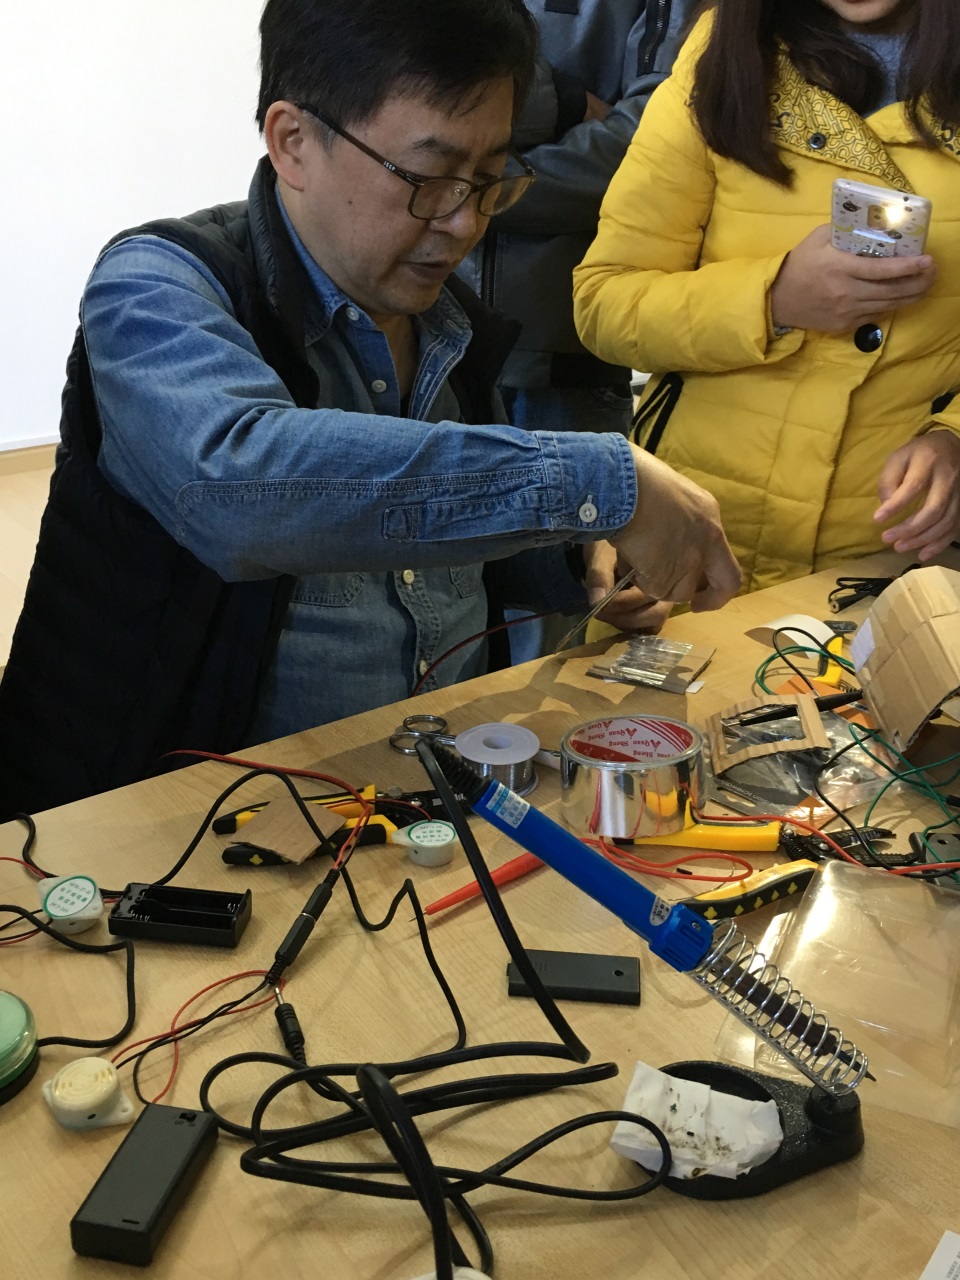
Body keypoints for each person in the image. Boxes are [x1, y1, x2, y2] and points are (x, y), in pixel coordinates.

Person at [0, 0, 740, 818]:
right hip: (170, 826)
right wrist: (597, 482)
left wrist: (579, 560)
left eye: (489, 180)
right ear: (292, 141)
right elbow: (243, 486)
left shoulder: (452, 327)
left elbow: (444, 547)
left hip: (399, 812)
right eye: (428, 180)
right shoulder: (156, 287)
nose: (463, 222)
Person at [573, 0, 960, 594]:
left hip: (891, 562)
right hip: (693, 535)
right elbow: (605, 302)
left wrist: (953, 438)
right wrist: (774, 301)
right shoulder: (725, 50)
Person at [458, 0, 700, 656]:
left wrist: (463, 184)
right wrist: (564, 100)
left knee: (568, 633)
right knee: (417, 616)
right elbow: (399, 70)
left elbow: (647, 145)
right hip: (420, 337)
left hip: (571, 356)